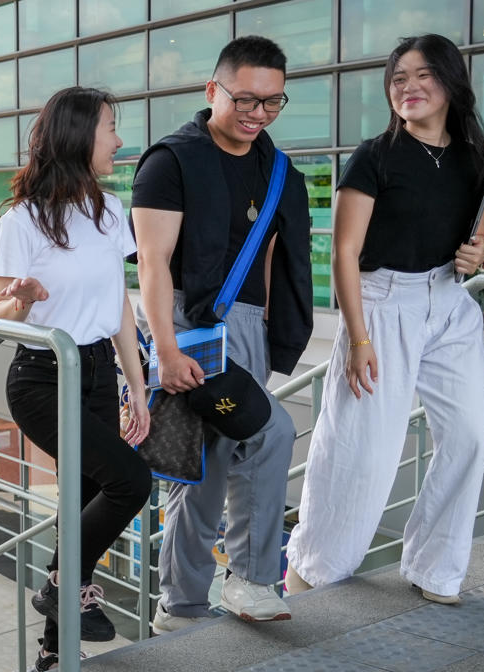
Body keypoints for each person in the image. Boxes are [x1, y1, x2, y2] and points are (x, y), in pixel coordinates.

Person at [286, 34, 484, 606]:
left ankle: (436, 569)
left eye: (423, 74)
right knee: (362, 450)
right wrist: (357, 338)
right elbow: (343, 254)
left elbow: (477, 236)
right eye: (399, 77)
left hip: (449, 303)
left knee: (472, 435)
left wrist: (480, 254)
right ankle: (314, 568)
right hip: (382, 305)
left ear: (450, 83)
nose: (409, 86)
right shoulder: (374, 156)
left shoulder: (473, 154)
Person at [130, 35, 314, 632]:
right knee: (264, 435)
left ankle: (180, 608)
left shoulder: (280, 170)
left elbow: (276, 260)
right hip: (186, 327)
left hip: (248, 329)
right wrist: (165, 349)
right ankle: (245, 582)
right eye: (244, 99)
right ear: (213, 90)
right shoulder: (171, 161)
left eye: (271, 102)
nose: (257, 114)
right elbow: (152, 264)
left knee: (219, 460)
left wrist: (269, 331)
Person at [0, 86, 154, 672]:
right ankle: (65, 582)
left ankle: (54, 653)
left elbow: (121, 305)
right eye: (111, 127)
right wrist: (23, 299)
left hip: (98, 371)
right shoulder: (22, 221)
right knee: (131, 481)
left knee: (81, 499)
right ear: (80, 135)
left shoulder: (110, 212)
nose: (119, 140)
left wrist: (137, 383)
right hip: (41, 376)